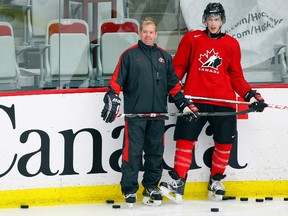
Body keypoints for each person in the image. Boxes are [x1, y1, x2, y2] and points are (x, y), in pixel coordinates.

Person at [159, 2, 268, 203]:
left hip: (224, 100)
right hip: (194, 99)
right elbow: (178, 68)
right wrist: (172, 90)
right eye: (210, 19)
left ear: (222, 20)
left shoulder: (231, 44)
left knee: (225, 142)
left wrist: (251, 96)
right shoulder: (192, 38)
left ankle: (215, 180)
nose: (213, 23)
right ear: (205, 20)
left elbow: (236, 76)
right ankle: (178, 182)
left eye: (216, 19)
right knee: (184, 139)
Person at [101, 17, 198, 208]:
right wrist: (112, 97)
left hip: (157, 115)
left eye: (151, 32)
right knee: (133, 153)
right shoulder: (129, 55)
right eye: (144, 31)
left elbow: (174, 86)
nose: (147, 35)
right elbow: (115, 83)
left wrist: (183, 105)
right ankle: (129, 189)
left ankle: (151, 186)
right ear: (140, 33)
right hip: (136, 116)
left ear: (156, 34)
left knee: (155, 153)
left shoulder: (165, 57)